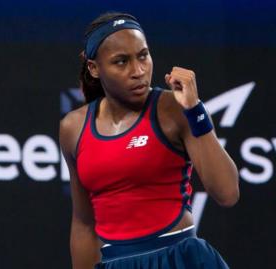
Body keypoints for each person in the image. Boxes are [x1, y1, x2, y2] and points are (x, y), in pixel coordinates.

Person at [59, 12, 239, 269]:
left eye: (143, 55)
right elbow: (84, 225)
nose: (139, 71)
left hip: (181, 260)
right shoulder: (72, 128)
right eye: (121, 62)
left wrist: (195, 110)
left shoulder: (175, 109)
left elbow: (227, 193)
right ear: (94, 68)